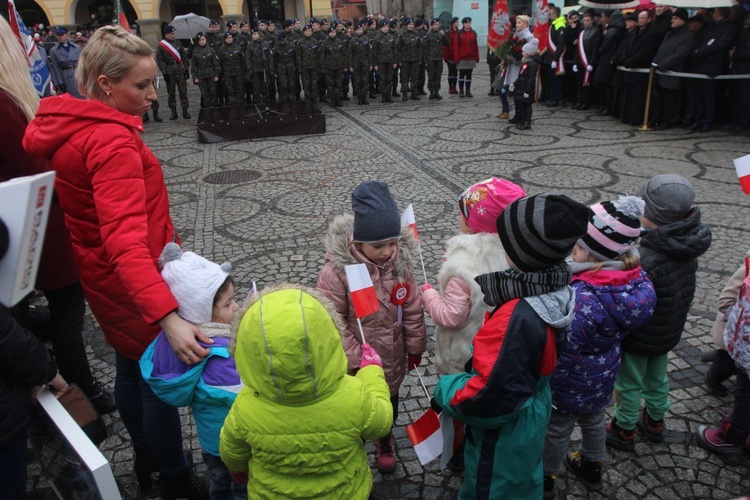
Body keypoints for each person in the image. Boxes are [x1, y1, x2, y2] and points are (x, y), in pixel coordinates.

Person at [23, 25, 209, 499]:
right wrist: (167, 316)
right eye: (141, 85)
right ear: (106, 84)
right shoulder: (111, 143)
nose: (153, 94)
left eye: (153, 83)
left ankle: (147, 456)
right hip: (133, 281)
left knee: (129, 370)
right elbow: (126, 242)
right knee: (156, 387)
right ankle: (174, 477)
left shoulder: (76, 128)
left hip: (104, 280)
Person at [433, 193, 590, 498]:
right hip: (532, 405)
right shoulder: (554, 286)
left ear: (521, 252)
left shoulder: (517, 315)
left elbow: (489, 397)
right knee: (523, 473)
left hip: (505, 426)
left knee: (492, 486)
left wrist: (447, 390)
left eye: (506, 241)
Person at [0, 17, 116, 416]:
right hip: (39, 232)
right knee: (67, 321)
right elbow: (32, 169)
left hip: (24, 232)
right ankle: (81, 393)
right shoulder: (2, 103)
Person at [219, 285, 392, 498]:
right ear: (329, 337)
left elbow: (232, 454)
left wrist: (239, 472)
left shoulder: (246, 406)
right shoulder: (353, 394)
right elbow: (382, 421)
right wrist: (372, 371)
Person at [542, 196, 656, 498]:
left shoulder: (585, 295)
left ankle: (545, 477)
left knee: (557, 428)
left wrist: (550, 382)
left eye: (578, 247)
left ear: (595, 257)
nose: (573, 251)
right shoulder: (634, 280)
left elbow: (567, 348)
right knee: (594, 418)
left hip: (571, 379)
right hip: (606, 369)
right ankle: (592, 466)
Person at [317, 181, 427, 474]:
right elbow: (332, 322)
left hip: (391, 356)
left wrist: (415, 346)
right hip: (356, 363)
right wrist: (357, 356)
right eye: (378, 245)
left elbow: (413, 307)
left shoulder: (400, 262)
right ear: (357, 243)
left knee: (389, 399)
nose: (387, 251)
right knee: (354, 404)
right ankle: (352, 442)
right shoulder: (337, 272)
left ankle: (385, 436)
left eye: (392, 243)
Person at [607, 175, 711, 452]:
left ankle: (624, 428)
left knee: (629, 383)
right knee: (657, 377)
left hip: (641, 337)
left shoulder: (649, 259)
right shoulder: (686, 244)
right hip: (668, 331)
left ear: (648, 213)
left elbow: (632, 304)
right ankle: (655, 420)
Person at [140, 244, 246, 499]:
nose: (237, 307)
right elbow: (244, 392)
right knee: (242, 486)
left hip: (211, 441)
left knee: (219, 478)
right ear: (201, 313)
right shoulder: (217, 355)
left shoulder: (177, 341)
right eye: (228, 304)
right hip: (232, 442)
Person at [421, 178, 525, 376]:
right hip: (506, 350)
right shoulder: (521, 256)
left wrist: (429, 296)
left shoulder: (463, 266)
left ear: (470, 223)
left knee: (459, 397)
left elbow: (451, 317)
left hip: (465, 357)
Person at [690, 7, 736, 133]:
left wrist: (701, 51)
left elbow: (719, 45)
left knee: (708, 96)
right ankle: (698, 119)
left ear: (719, 12)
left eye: (714, 11)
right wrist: (697, 50)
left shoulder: (728, 28)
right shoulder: (710, 26)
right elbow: (701, 41)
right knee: (698, 96)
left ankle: (707, 121)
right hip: (699, 65)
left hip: (712, 65)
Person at [651, 9, 693, 130]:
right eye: (672, 18)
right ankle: (658, 118)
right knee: (659, 97)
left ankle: (669, 119)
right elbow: (662, 50)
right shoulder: (670, 33)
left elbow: (679, 55)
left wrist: (662, 65)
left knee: (670, 99)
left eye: (675, 18)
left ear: (683, 20)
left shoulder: (687, 36)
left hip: (671, 72)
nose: (672, 20)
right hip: (660, 70)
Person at [592, 10, 625, 116]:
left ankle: (606, 106)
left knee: (603, 85)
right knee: (603, 85)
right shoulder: (618, 29)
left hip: (606, 60)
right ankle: (605, 106)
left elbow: (605, 47)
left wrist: (599, 49)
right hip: (608, 60)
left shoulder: (613, 30)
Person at [156, 24, 191, 120]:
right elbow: (159, 60)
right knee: (171, 93)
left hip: (179, 70)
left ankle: (185, 110)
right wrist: (164, 72)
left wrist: (186, 69)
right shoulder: (161, 45)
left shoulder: (178, 43)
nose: (173, 35)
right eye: (172, 33)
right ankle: (173, 112)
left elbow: (184, 56)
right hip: (169, 71)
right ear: (166, 34)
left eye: (174, 33)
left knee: (183, 91)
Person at [509, 38, 541, 130]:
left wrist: (527, 90)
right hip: (521, 87)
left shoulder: (532, 64)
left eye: (523, 51)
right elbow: (520, 76)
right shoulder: (526, 62)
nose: (522, 53)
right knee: (522, 105)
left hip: (527, 88)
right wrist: (514, 84)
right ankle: (523, 121)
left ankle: (527, 123)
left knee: (527, 106)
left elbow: (531, 79)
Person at [572, 10, 601, 111]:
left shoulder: (595, 32)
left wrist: (592, 63)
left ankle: (586, 102)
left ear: (592, 21)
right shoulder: (582, 32)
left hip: (588, 62)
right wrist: (575, 62)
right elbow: (578, 49)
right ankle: (579, 100)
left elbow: (595, 49)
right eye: (584, 20)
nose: (585, 22)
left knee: (587, 84)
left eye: (587, 20)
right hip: (580, 61)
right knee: (579, 83)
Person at [49, 27, 83, 98]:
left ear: (66, 35)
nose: (59, 37)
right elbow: (55, 68)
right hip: (65, 76)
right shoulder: (54, 50)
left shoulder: (76, 48)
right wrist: (59, 83)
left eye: (61, 35)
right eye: (58, 35)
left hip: (77, 74)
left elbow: (82, 64)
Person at [192, 32, 221, 108]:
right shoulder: (195, 51)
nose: (201, 41)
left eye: (203, 39)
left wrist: (217, 75)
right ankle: (207, 110)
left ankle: (215, 108)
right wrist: (195, 77)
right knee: (204, 93)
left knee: (213, 92)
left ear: (205, 40)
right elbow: (194, 66)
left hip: (211, 74)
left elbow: (215, 63)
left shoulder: (210, 50)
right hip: (201, 75)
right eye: (200, 40)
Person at [373, 19, 398, 104]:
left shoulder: (391, 37)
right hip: (381, 62)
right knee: (382, 79)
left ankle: (389, 95)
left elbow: (395, 50)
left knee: (389, 78)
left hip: (390, 61)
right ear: (380, 28)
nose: (385, 28)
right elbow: (374, 52)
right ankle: (384, 95)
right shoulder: (377, 38)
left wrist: (395, 62)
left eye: (386, 27)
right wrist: (375, 64)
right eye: (383, 27)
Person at [320, 27, 346, 107]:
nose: (332, 33)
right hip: (329, 67)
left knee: (338, 84)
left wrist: (344, 65)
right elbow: (322, 56)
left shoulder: (339, 42)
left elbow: (344, 54)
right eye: (331, 32)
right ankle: (332, 100)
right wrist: (323, 68)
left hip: (339, 67)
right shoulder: (325, 43)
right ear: (328, 33)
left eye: (334, 32)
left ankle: (338, 99)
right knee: (330, 84)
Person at [396, 18, 421, 101]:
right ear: (406, 25)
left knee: (414, 77)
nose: (411, 26)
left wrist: (419, 58)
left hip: (414, 59)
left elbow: (419, 47)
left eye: (412, 24)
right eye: (409, 24)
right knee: (404, 77)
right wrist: (399, 60)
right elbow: (398, 48)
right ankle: (405, 93)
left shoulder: (416, 34)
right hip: (404, 59)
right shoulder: (402, 34)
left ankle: (414, 92)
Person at [454, 17, 479, 98]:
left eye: (469, 23)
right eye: (466, 23)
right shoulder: (459, 33)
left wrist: (476, 57)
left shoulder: (473, 33)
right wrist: (457, 58)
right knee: (461, 75)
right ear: (463, 24)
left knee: (469, 75)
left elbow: (475, 46)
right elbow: (456, 46)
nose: (468, 24)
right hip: (462, 58)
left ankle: (468, 91)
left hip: (471, 58)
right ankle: (461, 91)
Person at [219, 32, 246, 106]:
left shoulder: (238, 48)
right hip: (227, 73)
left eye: (230, 37)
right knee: (230, 89)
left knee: (239, 89)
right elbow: (220, 63)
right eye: (227, 38)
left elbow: (242, 61)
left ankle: (240, 103)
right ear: (225, 39)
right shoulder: (221, 49)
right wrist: (221, 74)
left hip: (238, 72)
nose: (229, 39)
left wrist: (243, 72)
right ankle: (232, 104)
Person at [425, 18, 449, 100]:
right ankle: (431, 92)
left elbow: (447, 43)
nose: (435, 26)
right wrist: (425, 60)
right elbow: (425, 47)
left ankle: (437, 91)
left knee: (438, 75)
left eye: (437, 25)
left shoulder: (440, 34)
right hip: (430, 58)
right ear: (431, 26)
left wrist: (443, 36)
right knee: (431, 76)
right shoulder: (428, 35)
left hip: (439, 58)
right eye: (434, 25)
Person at [348, 23, 372, 105]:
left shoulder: (366, 39)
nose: (359, 31)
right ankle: (359, 98)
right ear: (355, 31)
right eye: (358, 30)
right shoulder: (352, 40)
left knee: (365, 81)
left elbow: (369, 52)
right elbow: (350, 54)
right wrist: (350, 65)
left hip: (365, 62)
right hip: (356, 63)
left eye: (361, 29)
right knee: (357, 81)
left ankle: (364, 97)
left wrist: (370, 63)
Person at [297, 24, 321, 105]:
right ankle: (308, 100)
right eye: (306, 31)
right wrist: (299, 68)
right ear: (304, 32)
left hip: (314, 66)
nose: (308, 32)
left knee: (314, 83)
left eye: (309, 31)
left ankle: (314, 100)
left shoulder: (315, 42)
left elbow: (318, 55)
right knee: (306, 84)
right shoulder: (300, 42)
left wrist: (319, 66)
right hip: (305, 67)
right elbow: (298, 56)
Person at [273, 31, 298, 103]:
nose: (282, 41)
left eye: (283, 39)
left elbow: (295, 58)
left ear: (285, 38)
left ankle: (292, 100)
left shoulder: (292, 46)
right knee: (283, 86)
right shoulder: (276, 47)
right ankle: (284, 101)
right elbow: (274, 60)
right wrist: (275, 71)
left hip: (291, 68)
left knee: (292, 85)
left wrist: (297, 69)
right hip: (281, 69)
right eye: (280, 40)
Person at [445, 17, 459, 94]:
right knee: (451, 72)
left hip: (457, 55)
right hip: (450, 55)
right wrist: (446, 57)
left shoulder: (459, 32)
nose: (458, 23)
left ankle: (455, 87)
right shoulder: (448, 33)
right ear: (453, 23)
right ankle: (451, 87)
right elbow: (446, 45)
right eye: (457, 22)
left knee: (456, 72)